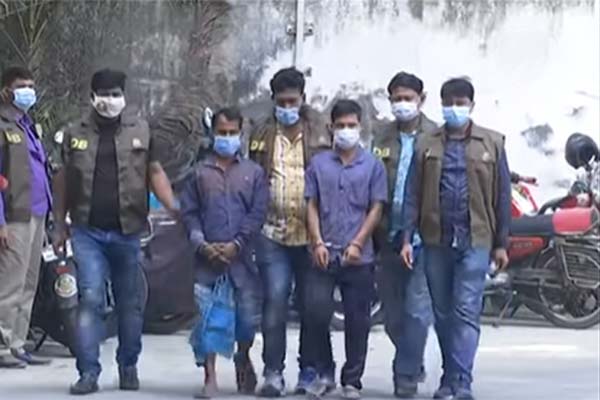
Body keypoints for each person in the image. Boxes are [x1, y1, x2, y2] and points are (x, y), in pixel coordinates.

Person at [52, 68, 178, 395]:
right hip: (87, 231)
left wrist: (176, 209)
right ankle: (88, 372)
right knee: (90, 298)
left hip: (128, 231)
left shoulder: (141, 131)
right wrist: (59, 225)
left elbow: (154, 172)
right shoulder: (74, 133)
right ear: (92, 97)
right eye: (104, 94)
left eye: (115, 94)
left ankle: (128, 365)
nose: (110, 100)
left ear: (124, 96)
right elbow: (62, 179)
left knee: (129, 303)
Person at [401, 78, 511, 400]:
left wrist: (501, 243)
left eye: (460, 103)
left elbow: (502, 196)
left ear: (471, 106)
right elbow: (412, 194)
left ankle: (461, 381)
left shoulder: (492, 143)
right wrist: (407, 237)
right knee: (443, 313)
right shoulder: (426, 144)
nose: (454, 109)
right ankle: (450, 376)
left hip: (475, 240)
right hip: (436, 240)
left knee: (466, 310)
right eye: (449, 103)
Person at [248, 67, 333, 397]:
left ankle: (309, 371)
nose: (287, 107)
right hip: (272, 233)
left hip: (312, 235)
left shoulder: (322, 129)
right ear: (273, 100)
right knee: (274, 303)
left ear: (303, 98)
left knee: (313, 307)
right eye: (281, 102)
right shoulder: (260, 131)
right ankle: (273, 373)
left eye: (292, 101)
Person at [180, 107, 268, 399]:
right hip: (206, 260)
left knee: (246, 319)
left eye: (232, 133)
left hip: (243, 261)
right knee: (208, 319)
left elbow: (257, 214)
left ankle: (243, 357)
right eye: (222, 132)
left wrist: (237, 244)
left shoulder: (254, 173)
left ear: (241, 134)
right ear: (212, 133)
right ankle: (210, 376)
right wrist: (202, 243)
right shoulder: (199, 173)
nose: (227, 137)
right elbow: (189, 213)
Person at [303, 99, 387, 400]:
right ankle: (324, 372)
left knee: (357, 320)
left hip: (358, 256)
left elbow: (376, 208)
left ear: (360, 127)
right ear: (331, 127)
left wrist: (358, 243)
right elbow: (311, 204)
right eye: (341, 125)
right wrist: (317, 241)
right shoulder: (319, 164)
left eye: (351, 125)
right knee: (315, 312)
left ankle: (352, 380)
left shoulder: (373, 165)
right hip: (324, 253)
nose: (346, 130)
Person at [371, 72, 437, 398]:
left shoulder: (436, 137)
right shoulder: (381, 137)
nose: (402, 104)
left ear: (421, 99)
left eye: (408, 98)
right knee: (393, 316)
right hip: (387, 234)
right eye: (397, 98)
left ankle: (406, 375)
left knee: (417, 310)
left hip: (425, 237)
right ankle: (412, 356)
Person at [0, 66, 52, 368]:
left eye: (31, 86)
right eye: (22, 86)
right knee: (10, 284)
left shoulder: (27, 125)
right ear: (7, 90)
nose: (29, 91)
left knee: (28, 284)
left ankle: (17, 343)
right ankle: (2, 346)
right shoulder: (2, 125)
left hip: (38, 213)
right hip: (14, 216)